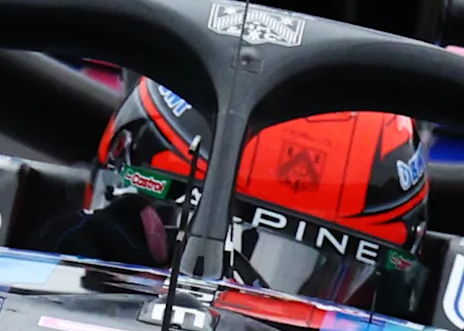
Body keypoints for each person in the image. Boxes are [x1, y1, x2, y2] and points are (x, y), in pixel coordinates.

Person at [46, 74, 433, 313]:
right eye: (211, 246)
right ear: (139, 219)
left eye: (303, 275)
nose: (232, 308)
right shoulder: (22, 286)